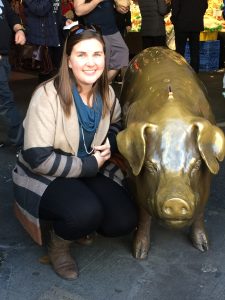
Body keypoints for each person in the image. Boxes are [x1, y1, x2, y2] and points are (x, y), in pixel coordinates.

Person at [12, 23, 137, 280]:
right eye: (81, 55)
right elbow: (38, 157)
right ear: (68, 61)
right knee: (84, 212)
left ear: (105, 57)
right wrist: (89, 166)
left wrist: (110, 143)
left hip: (89, 164)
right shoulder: (46, 96)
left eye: (97, 54)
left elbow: (117, 123)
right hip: (47, 171)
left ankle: (80, 219)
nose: (90, 63)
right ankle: (59, 243)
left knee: (123, 221)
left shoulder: (107, 93)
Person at [73, 0, 130, 83]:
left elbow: (110, 7)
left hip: (113, 30)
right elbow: (78, 11)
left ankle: (103, 85)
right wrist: (96, 1)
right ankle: (97, 88)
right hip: (96, 32)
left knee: (122, 53)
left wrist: (120, 9)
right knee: (102, 63)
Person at [23, 0, 72, 80]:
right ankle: (45, 91)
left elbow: (55, 13)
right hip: (42, 39)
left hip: (56, 37)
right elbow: (40, 10)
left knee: (60, 72)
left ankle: (59, 91)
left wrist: (64, 20)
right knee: (46, 74)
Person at [0, 0, 26, 148]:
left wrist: (19, 30)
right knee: (6, 101)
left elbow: (11, 16)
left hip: (4, 58)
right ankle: (19, 142)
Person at [171, 0, 208, 73]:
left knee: (180, 51)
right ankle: (195, 73)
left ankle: (179, 71)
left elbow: (175, 8)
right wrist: (198, 16)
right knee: (195, 50)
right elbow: (205, 6)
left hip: (181, 25)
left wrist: (174, 20)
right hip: (196, 24)